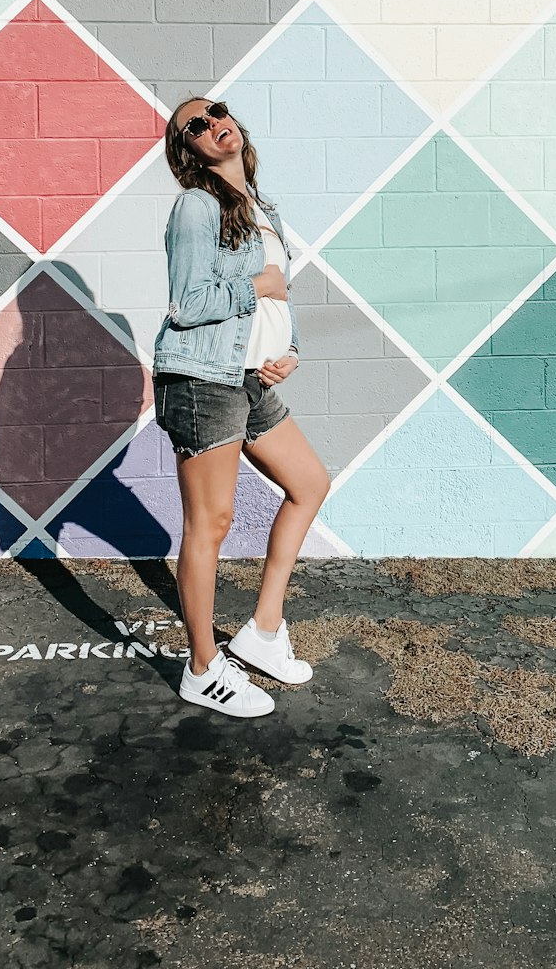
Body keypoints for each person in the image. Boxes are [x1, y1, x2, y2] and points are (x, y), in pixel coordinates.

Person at [152, 97, 331, 718]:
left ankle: (261, 630)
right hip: (201, 378)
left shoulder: (261, 207)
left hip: (249, 376)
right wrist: (259, 287)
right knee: (212, 522)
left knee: (309, 483)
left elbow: (279, 298)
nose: (211, 124)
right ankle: (201, 668)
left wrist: (289, 350)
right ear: (189, 151)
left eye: (216, 112)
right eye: (194, 127)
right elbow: (187, 304)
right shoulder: (196, 207)